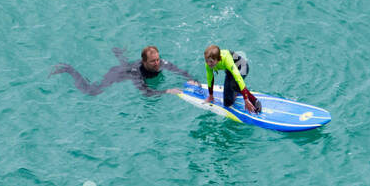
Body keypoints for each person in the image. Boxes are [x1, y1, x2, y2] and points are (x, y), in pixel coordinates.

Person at [51, 45, 194, 96]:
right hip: (120, 73)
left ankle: (119, 54)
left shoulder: (160, 62)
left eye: (158, 59)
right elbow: (146, 92)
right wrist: (166, 91)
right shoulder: (137, 73)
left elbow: (179, 71)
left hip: (131, 66)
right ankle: (69, 70)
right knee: (92, 91)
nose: (157, 63)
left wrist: (190, 79)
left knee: (126, 62)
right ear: (144, 62)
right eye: (153, 61)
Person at [202, 45, 261, 112]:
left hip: (242, 67)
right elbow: (210, 78)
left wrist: (246, 99)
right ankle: (235, 91)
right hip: (230, 70)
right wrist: (210, 95)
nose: (208, 64)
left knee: (235, 84)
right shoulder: (208, 63)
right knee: (227, 103)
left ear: (219, 59)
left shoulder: (226, 59)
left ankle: (255, 100)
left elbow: (238, 77)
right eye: (207, 61)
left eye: (211, 61)